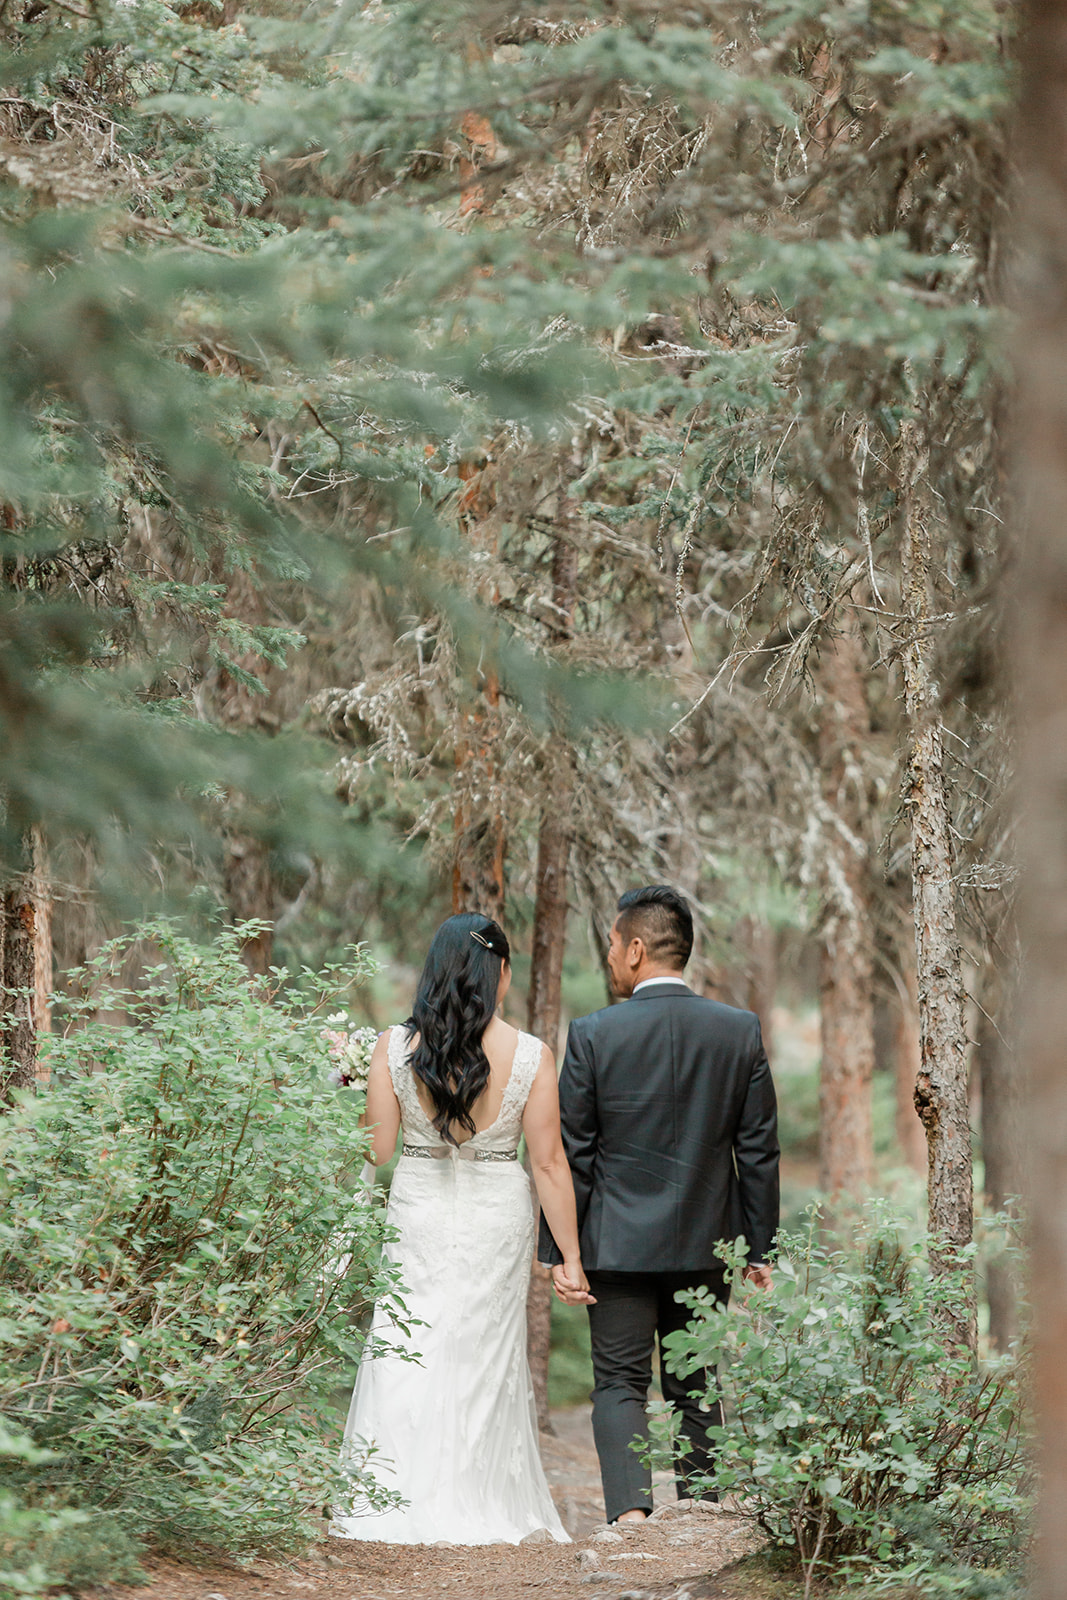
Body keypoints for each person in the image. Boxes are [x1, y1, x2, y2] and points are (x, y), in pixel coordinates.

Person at [331, 912, 592, 1546]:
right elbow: (550, 1163)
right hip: (496, 1209)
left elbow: (379, 1148)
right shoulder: (530, 1054)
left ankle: (388, 1493)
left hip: (418, 1201)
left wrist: (349, 1083)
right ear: (499, 975)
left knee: (405, 1338)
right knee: (481, 1348)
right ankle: (476, 1496)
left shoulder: (393, 1047)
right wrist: (570, 1259)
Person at [538, 884, 779, 1526]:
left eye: (614, 945)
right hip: (708, 1244)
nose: (611, 957)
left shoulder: (592, 1034)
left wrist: (563, 1252)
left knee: (619, 1382)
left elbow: (574, 1154)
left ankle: (630, 1518)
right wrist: (761, 1250)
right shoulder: (739, 1031)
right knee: (695, 1381)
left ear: (638, 949)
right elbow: (758, 1151)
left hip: (614, 1246)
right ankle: (699, 1517)